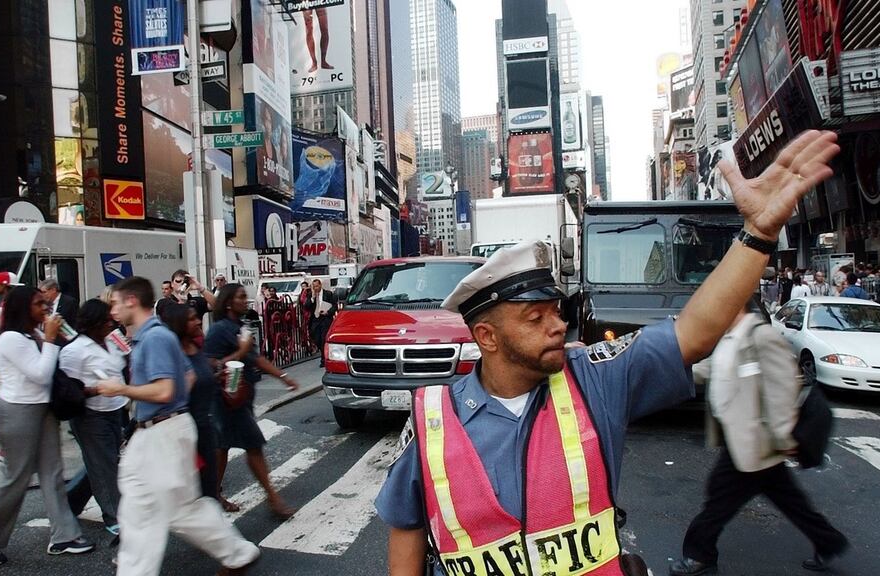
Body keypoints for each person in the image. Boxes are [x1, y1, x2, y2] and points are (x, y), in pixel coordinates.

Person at [375, 130, 842, 576]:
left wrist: (757, 233)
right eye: (535, 319)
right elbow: (407, 533)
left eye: (556, 311)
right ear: (488, 337)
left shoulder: (593, 378)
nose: (559, 325)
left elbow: (695, 331)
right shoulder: (431, 422)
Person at [97, 277, 260, 575]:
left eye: (116, 303)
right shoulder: (151, 337)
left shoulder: (155, 338)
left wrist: (121, 390)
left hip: (162, 431)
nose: (113, 310)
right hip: (159, 429)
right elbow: (187, 377)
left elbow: (164, 390)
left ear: (132, 300)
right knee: (151, 503)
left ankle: (236, 553)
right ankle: (237, 553)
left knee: (159, 508)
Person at [670, 306, 848, 576]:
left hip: (756, 440)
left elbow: (782, 387)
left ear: (738, 305)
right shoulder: (731, 337)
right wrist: (676, 372)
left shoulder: (762, 337)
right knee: (790, 500)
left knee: (718, 501)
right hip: (744, 439)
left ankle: (699, 556)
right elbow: (713, 369)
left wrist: (782, 435)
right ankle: (829, 541)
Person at [0, 286, 93, 566]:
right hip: (19, 411)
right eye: (38, 304)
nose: (46, 308)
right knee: (17, 479)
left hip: (42, 408)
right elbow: (41, 374)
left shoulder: (34, 334)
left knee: (53, 473)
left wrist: (55, 338)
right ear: (21, 308)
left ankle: (64, 535)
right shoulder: (10, 339)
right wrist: (51, 340)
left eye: (45, 302)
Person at [205, 284, 299, 517]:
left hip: (240, 399)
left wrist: (284, 377)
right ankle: (273, 499)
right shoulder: (218, 330)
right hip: (227, 401)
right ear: (228, 302)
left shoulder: (240, 327)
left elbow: (255, 358)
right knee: (253, 445)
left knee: (221, 447)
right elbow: (209, 365)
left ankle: (212, 495)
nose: (245, 300)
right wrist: (239, 353)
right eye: (240, 297)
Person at [59, 299, 129, 537]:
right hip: (91, 415)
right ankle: (114, 517)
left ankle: (70, 501)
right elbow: (68, 391)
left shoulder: (112, 341)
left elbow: (122, 366)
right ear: (92, 324)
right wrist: (96, 388)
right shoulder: (73, 351)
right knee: (104, 466)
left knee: (104, 462)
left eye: (111, 320)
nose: (110, 324)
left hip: (116, 410)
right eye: (105, 321)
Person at [159, 303, 220, 500]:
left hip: (205, 429)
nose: (197, 321)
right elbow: (172, 396)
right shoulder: (174, 354)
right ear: (179, 324)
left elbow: (203, 380)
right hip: (186, 433)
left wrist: (218, 377)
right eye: (192, 319)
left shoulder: (196, 346)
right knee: (191, 494)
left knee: (208, 487)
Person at [305, 279, 336, 366]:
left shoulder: (328, 294)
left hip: (325, 318)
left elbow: (334, 306)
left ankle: (323, 359)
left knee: (323, 339)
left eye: (317, 286)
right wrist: (312, 298)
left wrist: (328, 312)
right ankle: (322, 352)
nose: (315, 288)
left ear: (320, 285)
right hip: (315, 319)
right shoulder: (310, 295)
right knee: (316, 338)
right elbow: (306, 307)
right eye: (314, 286)